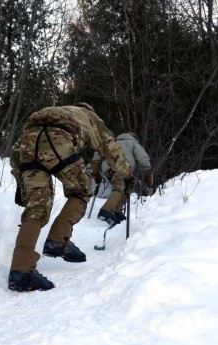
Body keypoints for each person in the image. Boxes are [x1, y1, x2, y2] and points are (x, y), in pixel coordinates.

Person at [8, 103, 133, 292]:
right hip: (59, 142)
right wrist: (126, 173)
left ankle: (21, 271)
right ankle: (58, 239)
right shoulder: (90, 117)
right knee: (82, 191)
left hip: (28, 145)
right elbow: (109, 147)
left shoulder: (51, 112)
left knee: (36, 209)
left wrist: (21, 182)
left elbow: (17, 149)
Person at [90, 132, 153, 225]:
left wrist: (95, 172)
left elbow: (97, 155)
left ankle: (116, 211)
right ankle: (106, 210)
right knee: (121, 185)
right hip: (123, 167)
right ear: (134, 137)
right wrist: (148, 176)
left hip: (108, 168)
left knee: (125, 184)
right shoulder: (133, 143)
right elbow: (143, 158)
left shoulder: (112, 142)